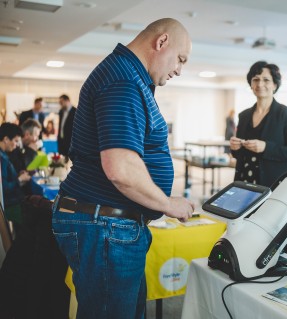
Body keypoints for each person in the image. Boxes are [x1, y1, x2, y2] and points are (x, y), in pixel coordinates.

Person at [51, 18, 194, 319]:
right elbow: (120, 168)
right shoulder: (124, 80)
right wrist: (169, 204)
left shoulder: (130, 77)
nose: (180, 70)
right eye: (180, 59)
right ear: (161, 42)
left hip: (108, 223)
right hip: (105, 225)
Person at [230, 61, 287, 187]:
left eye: (266, 80)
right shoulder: (244, 115)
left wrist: (266, 147)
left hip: (272, 183)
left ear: (275, 85)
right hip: (243, 180)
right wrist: (235, 148)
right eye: (256, 79)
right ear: (251, 84)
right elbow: (239, 155)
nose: (260, 84)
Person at [0, 123, 31, 226]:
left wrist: (17, 175)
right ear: (6, 139)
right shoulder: (2, 159)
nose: (17, 144)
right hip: (11, 205)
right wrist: (20, 180)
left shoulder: (4, 155)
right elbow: (3, 188)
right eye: (16, 141)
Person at [57, 94, 76, 160]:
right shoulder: (61, 112)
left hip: (71, 142)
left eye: (61, 102)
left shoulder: (75, 111)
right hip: (61, 141)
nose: (60, 104)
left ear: (67, 100)